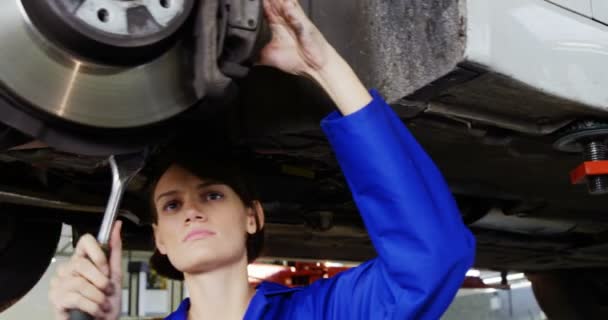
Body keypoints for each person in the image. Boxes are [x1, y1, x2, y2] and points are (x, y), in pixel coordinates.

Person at [48, 0, 476, 319]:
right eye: (172, 205)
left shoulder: (326, 312)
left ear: (252, 217)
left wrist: (323, 66)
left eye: (212, 195)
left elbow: (431, 259)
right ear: (159, 238)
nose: (192, 211)